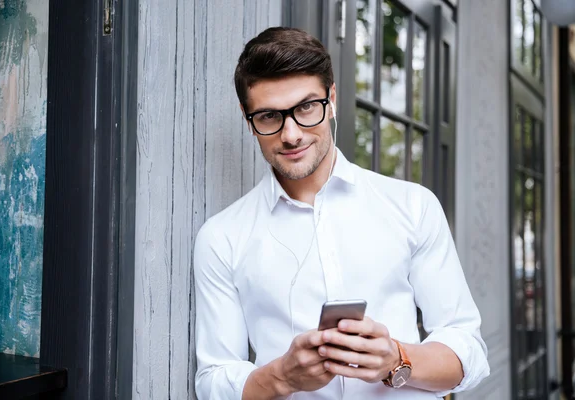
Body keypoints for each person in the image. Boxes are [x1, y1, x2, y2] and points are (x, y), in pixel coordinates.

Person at [193, 27, 489, 400]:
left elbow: (469, 351)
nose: (291, 134)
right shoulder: (221, 238)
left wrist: (397, 360)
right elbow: (213, 379)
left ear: (331, 98)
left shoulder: (413, 206)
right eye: (269, 116)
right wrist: (282, 377)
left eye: (305, 108)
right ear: (247, 116)